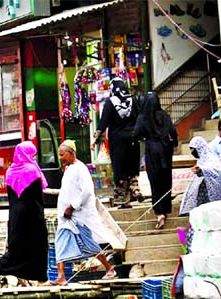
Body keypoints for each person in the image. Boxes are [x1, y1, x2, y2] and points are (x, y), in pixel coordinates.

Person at [53, 141, 117, 285]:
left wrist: (72, 207)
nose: (61, 158)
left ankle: (109, 269)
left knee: (90, 244)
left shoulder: (80, 169)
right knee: (60, 243)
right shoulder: (69, 169)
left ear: (70, 153)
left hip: (78, 216)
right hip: (67, 218)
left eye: (62, 155)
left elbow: (87, 192)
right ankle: (61, 276)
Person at [0, 142, 48, 285]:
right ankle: (41, 279)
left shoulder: (10, 171)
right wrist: (40, 215)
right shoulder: (32, 170)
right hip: (32, 214)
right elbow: (37, 197)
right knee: (39, 245)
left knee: (16, 247)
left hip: (15, 215)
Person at [94, 78, 143, 208]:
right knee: (131, 167)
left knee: (120, 170)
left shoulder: (110, 103)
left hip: (117, 141)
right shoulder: (133, 101)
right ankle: (135, 188)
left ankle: (123, 201)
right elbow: (140, 118)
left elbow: (103, 122)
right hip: (133, 139)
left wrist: (96, 138)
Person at [133, 92, 178, 228]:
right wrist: (174, 143)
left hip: (152, 150)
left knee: (155, 181)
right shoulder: (164, 115)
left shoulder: (143, 117)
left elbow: (136, 134)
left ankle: (159, 213)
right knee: (165, 180)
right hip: (165, 149)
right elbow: (173, 131)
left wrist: (141, 138)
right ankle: (165, 209)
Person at [179, 136, 221, 215]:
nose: (192, 152)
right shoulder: (201, 160)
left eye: (194, 149)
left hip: (214, 194)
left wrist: (202, 169)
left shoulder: (212, 158)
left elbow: (216, 169)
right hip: (203, 193)